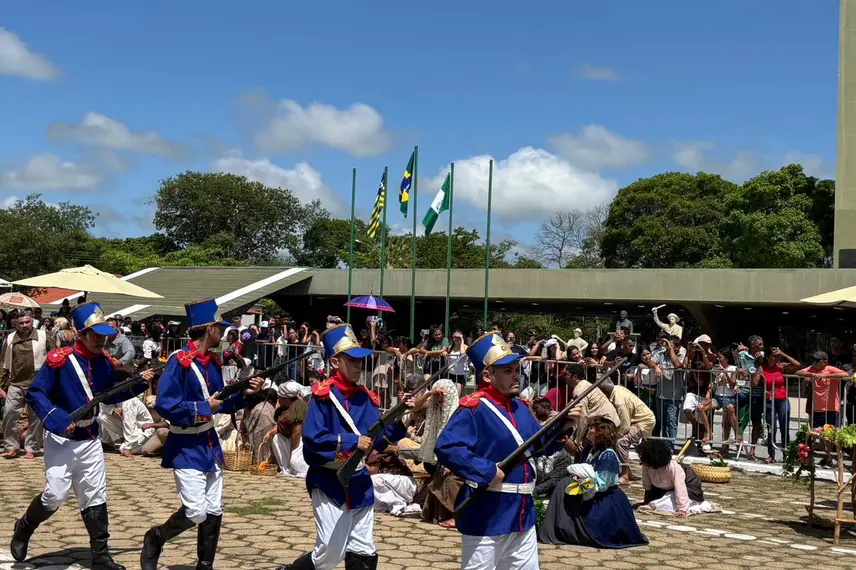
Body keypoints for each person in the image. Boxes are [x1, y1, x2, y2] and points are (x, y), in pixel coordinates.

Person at [11, 302, 154, 569]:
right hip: (62, 439)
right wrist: (55, 418)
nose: (101, 340)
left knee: (95, 495)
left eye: (104, 336)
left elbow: (111, 394)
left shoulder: (103, 363)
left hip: (90, 438)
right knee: (55, 495)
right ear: (82, 334)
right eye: (95, 335)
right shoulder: (60, 361)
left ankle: (100, 556)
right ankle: (25, 526)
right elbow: (36, 393)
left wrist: (140, 382)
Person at [434, 331, 581, 570]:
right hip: (487, 513)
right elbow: (447, 447)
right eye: (507, 371)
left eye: (516, 370)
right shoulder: (474, 408)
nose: (516, 376)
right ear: (487, 376)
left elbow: (537, 446)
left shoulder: (521, 407)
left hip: (522, 514)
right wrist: (485, 470)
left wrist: (561, 427)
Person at [276, 323, 412, 570]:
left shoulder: (366, 397)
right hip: (328, 480)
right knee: (329, 552)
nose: (359, 366)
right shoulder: (322, 396)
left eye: (360, 361)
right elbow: (313, 437)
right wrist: (352, 441)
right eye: (352, 360)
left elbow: (378, 441)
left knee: (364, 549)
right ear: (336, 362)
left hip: (359, 481)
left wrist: (406, 417)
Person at [140, 299, 263, 570]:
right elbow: (165, 404)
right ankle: (156, 537)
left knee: (214, 508)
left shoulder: (212, 363)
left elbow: (221, 403)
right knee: (196, 510)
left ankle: (204, 564)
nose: (223, 333)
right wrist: (202, 408)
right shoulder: (180, 362)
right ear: (209, 329)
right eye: (219, 327)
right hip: (185, 443)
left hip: (208, 442)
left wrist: (245, 395)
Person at [538, 417, 648, 548]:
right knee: (564, 484)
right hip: (590, 490)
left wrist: (583, 480)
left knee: (565, 486)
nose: (588, 430)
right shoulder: (591, 449)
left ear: (600, 432)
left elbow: (603, 484)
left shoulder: (608, 455)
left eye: (592, 428)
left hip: (604, 497)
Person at [1, 312, 54, 459]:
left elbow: (54, 356)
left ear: (33, 322)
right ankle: (11, 447)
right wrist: (0, 384)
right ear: (16, 324)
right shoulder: (10, 338)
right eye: (21, 323)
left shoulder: (43, 336)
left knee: (35, 417)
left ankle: (32, 448)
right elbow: (3, 363)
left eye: (27, 322)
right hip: (15, 383)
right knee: (9, 414)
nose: (25, 325)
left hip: (37, 384)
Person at [598, 378, 655, 484]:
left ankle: (625, 476)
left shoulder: (619, 401)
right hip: (637, 420)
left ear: (604, 391)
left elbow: (624, 426)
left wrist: (614, 437)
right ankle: (628, 473)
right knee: (618, 442)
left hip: (644, 421)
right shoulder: (616, 389)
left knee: (621, 443)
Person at [264, 381, 309, 478]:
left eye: (281, 398)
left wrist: (293, 450)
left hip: (300, 440)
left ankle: (300, 469)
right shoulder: (287, 408)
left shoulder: (298, 406)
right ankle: (286, 469)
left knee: (295, 461)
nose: (279, 400)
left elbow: (297, 431)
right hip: (288, 438)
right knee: (277, 438)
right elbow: (281, 424)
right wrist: (271, 432)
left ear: (287, 398)